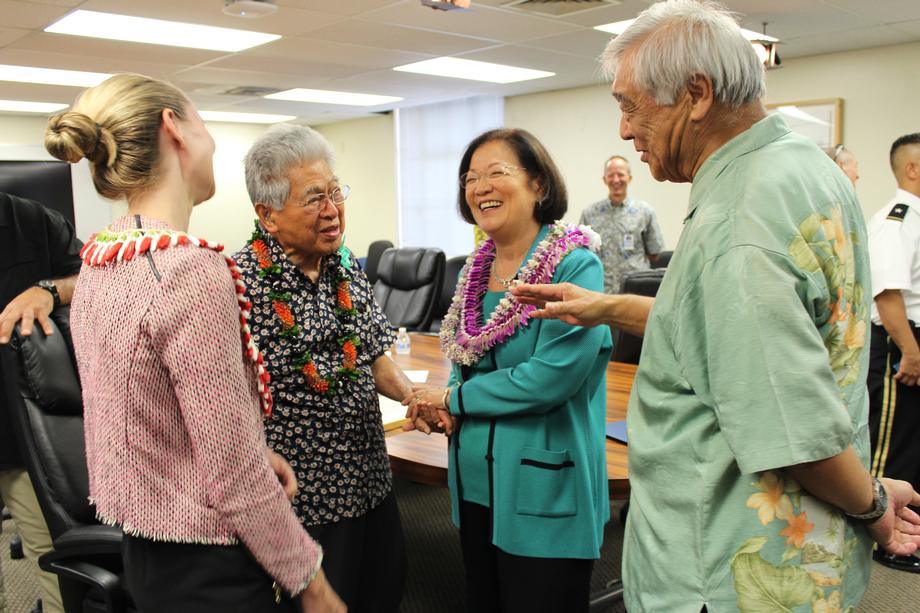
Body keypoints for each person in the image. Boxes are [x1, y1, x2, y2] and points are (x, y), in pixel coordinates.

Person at [512, 2, 920, 611]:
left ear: (696, 94)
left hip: (725, 569)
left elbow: (794, 432)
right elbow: (728, 332)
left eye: (630, 104)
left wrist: (875, 506)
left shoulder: (739, 219)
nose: (623, 130)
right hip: (794, 549)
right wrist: (605, 306)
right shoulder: (800, 162)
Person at [43, 73, 344, 612]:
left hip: (148, 554)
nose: (211, 140)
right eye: (202, 121)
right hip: (209, 563)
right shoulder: (189, 272)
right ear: (174, 128)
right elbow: (232, 477)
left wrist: (253, 448)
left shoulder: (103, 260)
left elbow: (148, 420)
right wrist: (311, 581)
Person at [405, 128, 612, 613]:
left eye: (497, 172)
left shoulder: (576, 268)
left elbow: (550, 378)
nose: (480, 187)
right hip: (475, 477)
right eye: (471, 178)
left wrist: (454, 400)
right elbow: (463, 354)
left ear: (539, 184)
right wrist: (452, 400)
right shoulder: (475, 269)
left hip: (544, 483)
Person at [233, 123, 409, 612]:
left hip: (372, 481)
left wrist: (415, 397)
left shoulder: (346, 266)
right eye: (314, 199)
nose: (333, 211)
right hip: (304, 506)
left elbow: (374, 353)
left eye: (335, 193)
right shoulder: (239, 285)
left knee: (384, 594)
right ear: (268, 215)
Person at [0, 192, 78, 613]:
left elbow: (91, 281)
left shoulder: (32, 222)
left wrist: (50, 290)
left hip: (21, 438)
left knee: (60, 570)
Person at [866, 132, 920, 573]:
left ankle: (910, 530)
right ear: (912, 169)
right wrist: (911, 351)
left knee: (914, 441)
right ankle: (881, 538)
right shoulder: (896, 219)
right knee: (891, 444)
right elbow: (887, 296)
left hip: (914, 340)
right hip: (899, 342)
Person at [578, 155, 664, 293]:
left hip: (636, 290)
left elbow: (654, 253)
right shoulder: (589, 213)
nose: (616, 180)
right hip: (601, 289)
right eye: (611, 175)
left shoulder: (645, 212)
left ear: (629, 178)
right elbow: (582, 252)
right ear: (604, 179)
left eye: (621, 175)